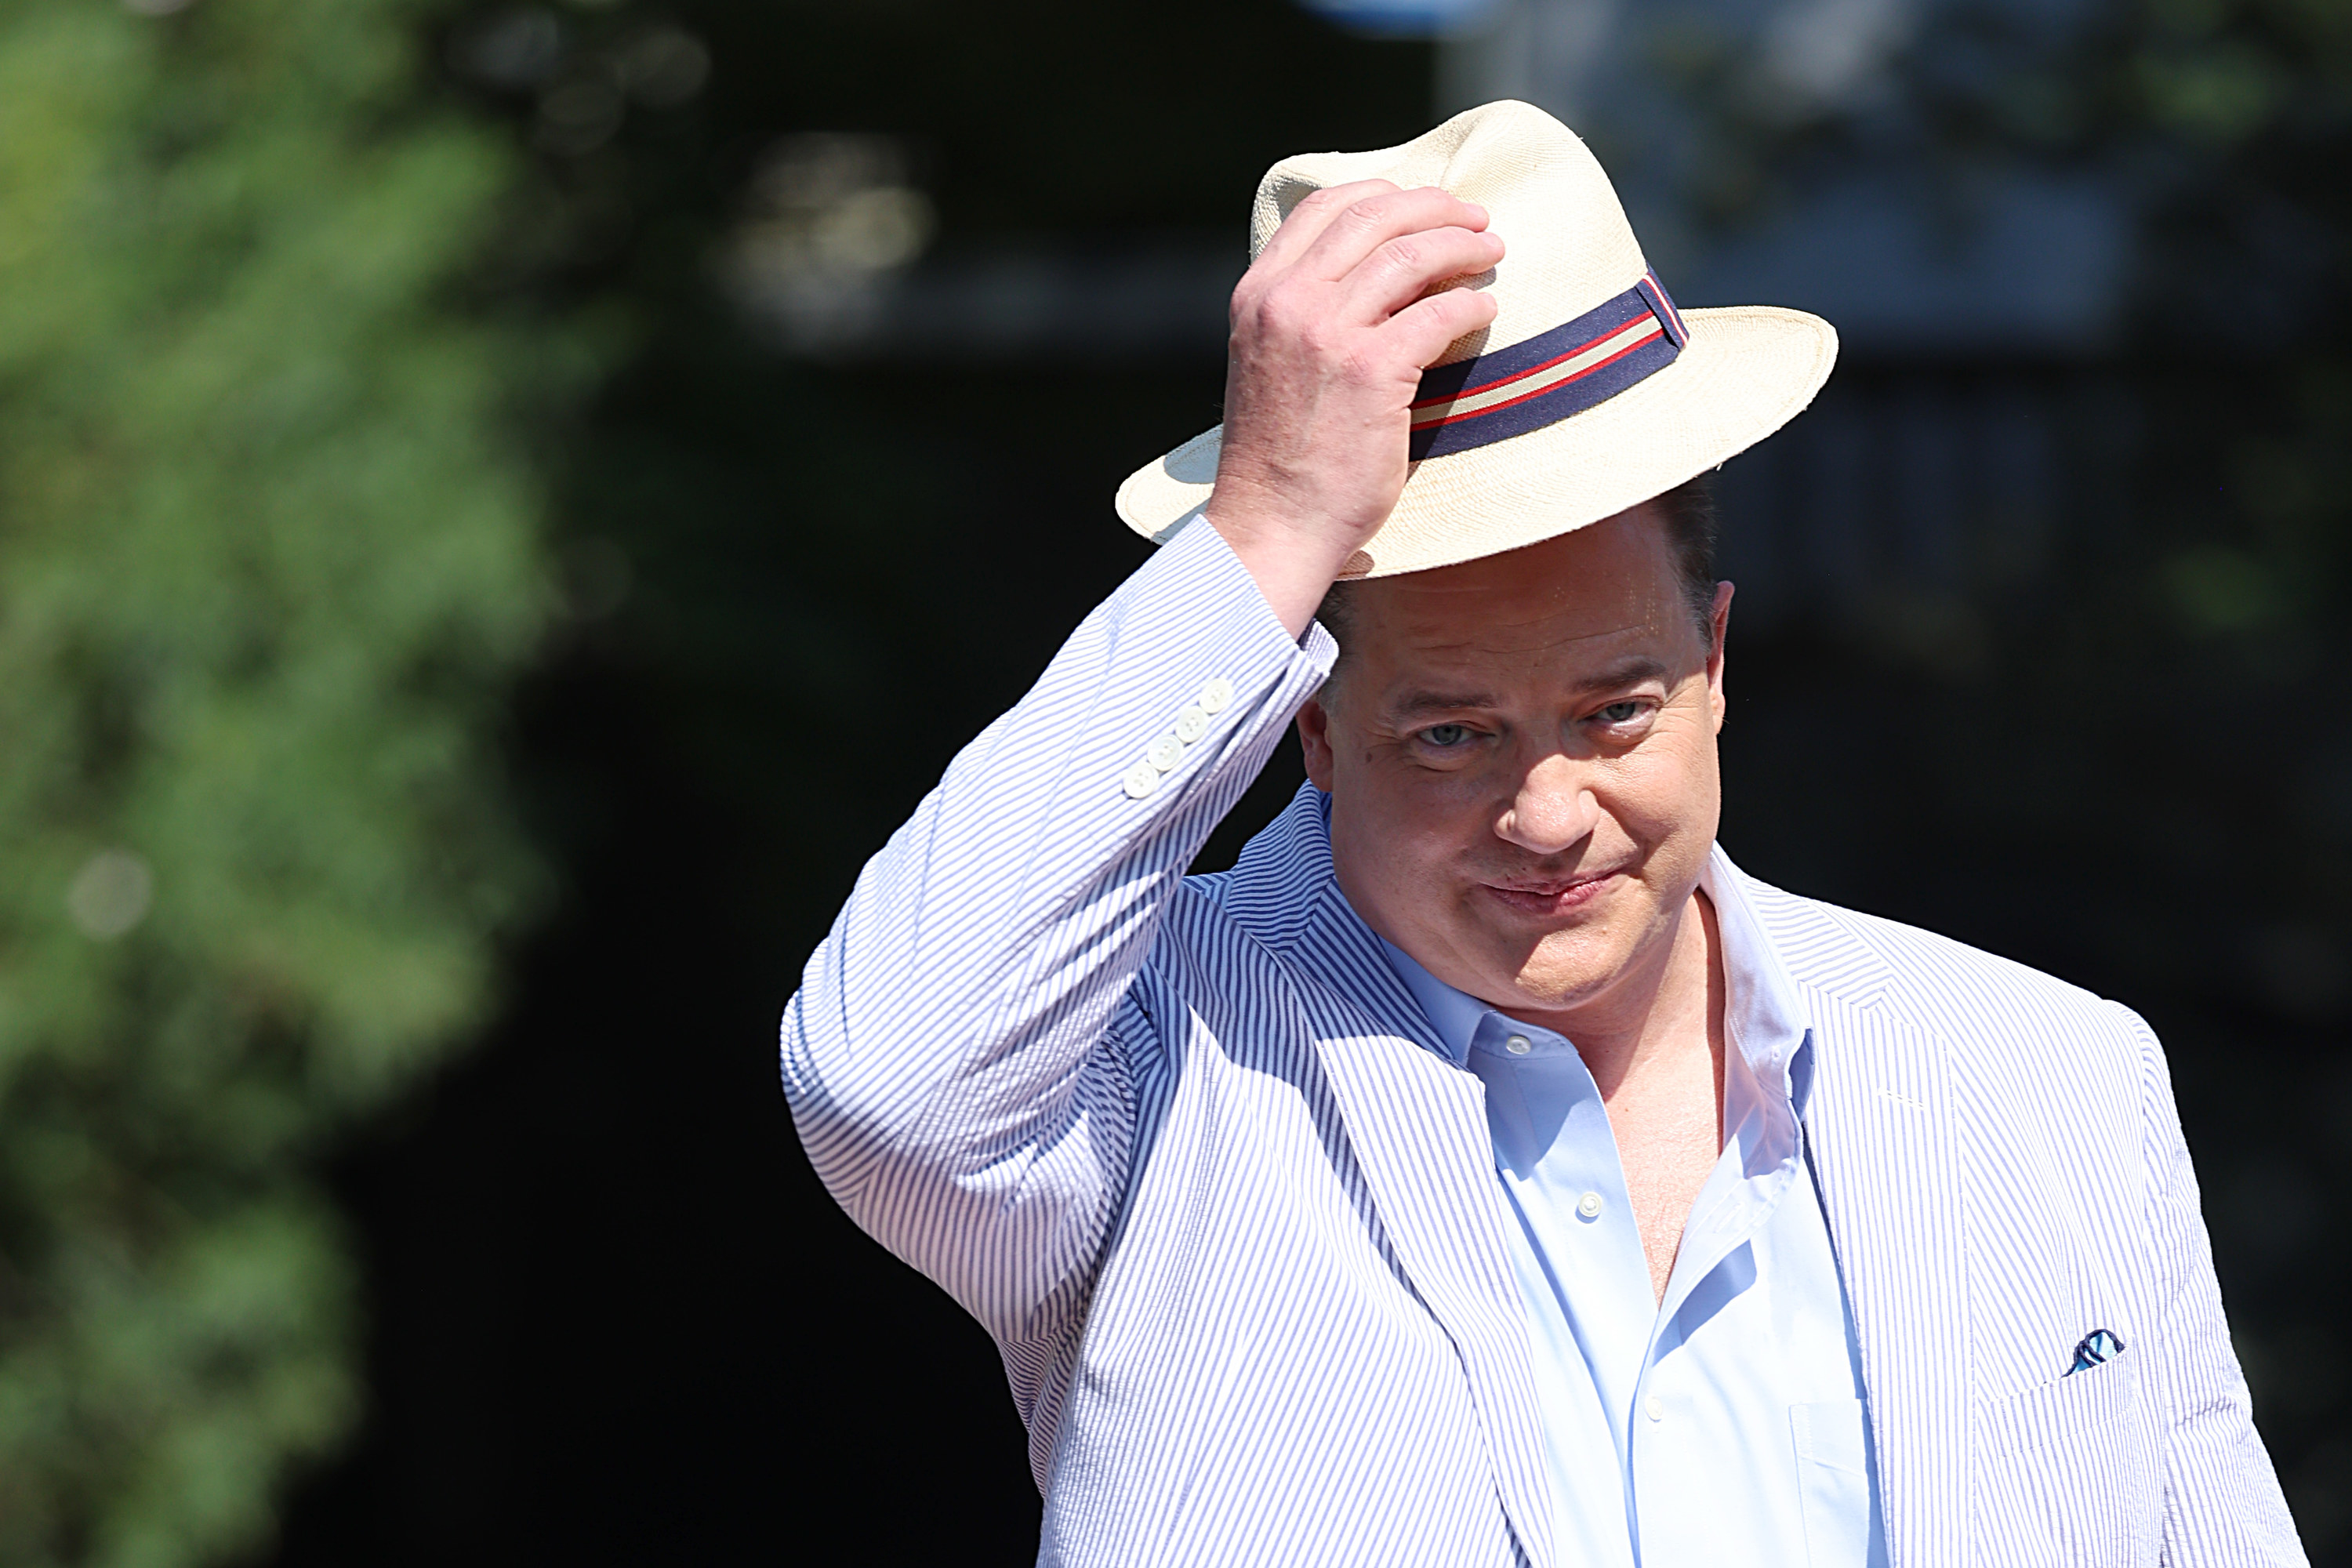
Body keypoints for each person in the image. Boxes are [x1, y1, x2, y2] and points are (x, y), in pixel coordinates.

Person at [781, 101, 2303, 1566]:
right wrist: (1269, 530)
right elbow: (887, 1083)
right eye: (1452, 733)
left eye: (1614, 708)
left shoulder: (2053, 1079)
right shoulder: (1149, 1063)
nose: (1548, 813)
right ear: (1307, 720)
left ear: (1715, 660)